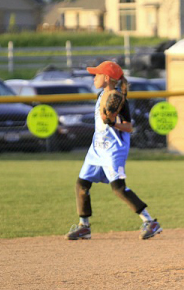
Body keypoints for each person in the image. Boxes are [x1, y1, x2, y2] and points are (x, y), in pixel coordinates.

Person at [65, 61, 163, 240]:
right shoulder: (100, 95)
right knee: (82, 184)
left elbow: (128, 127)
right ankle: (84, 226)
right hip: (96, 149)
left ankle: (150, 222)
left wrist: (112, 122)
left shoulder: (119, 98)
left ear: (107, 78)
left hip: (113, 150)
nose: (94, 78)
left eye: (97, 74)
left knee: (118, 189)